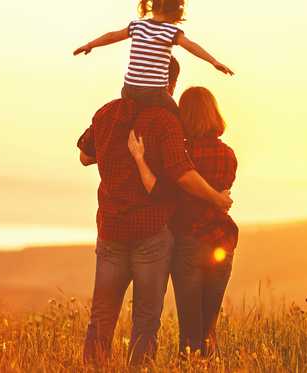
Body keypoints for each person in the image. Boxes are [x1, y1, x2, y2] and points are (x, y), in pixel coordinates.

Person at [77, 57, 232, 365]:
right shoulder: (165, 121)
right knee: (146, 320)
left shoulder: (107, 112)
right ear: (168, 82)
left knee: (102, 315)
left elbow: (84, 156)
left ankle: (94, 368)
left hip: (111, 229)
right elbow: (181, 173)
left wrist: (117, 150)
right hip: (150, 234)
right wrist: (216, 197)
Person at [127, 86, 238, 356]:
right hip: (222, 243)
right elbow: (223, 191)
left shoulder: (181, 156)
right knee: (209, 327)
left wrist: (140, 159)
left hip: (188, 244)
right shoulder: (228, 155)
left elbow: (161, 190)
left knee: (190, 330)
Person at [73, 0, 233, 113]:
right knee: (176, 117)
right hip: (154, 92)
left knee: (127, 109)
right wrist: (213, 61)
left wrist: (90, 45)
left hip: (129, 89)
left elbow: (111, 36)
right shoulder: (171, 31)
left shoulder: (137, 26)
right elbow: (191, 46)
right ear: (175, 11)